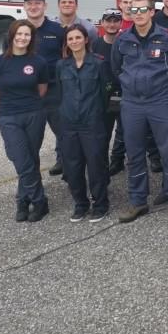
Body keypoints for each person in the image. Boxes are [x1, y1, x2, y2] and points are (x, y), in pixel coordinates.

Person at [111, 0, 168, 223]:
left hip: (161, 101)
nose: (138, 14)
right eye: (134, 10)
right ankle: (138, 201)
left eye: (142, 9)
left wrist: (167, 89)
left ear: (152, 12)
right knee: (134, 153)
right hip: (132, 104)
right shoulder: (122, 39)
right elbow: (116, 69)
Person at [0, 19, 50, 222]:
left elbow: (42, 89)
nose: (23, 38)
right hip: (9, 117)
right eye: (19, 34)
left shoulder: (38, 62)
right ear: (12, 36)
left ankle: (23, 200)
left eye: (27, 34)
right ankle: (39, 200)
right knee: (21, 159)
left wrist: (28, 106)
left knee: (30, 158)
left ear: (31, 38)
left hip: (34, 115)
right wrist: (4, 113)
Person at [57, 24, 113, 223]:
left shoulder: (98, 63)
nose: (74, 42)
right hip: (69, 124)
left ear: (86, 39)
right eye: (70, 39)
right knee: (72, 166)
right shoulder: (61, 66)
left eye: (78, 37)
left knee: (96, 165)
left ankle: (100, 204)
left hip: (92, 123)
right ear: (67, 43)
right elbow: (60, 94)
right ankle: (80, 204)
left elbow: (107, 93)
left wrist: (97, 114)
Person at [22, 0, 66, 176]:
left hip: (54, 89)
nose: (33, 7)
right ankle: (31, 178)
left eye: (37, 3)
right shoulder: (19, 31)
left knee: (63, 131)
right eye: (30, 3)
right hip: (28, 92)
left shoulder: (57, 30)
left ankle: (65, 164)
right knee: (30, 137)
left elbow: (66, 58)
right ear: (24, 6)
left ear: (45, 6)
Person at [93, 8, 126, 175]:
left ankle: (117, 160)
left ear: (121, 23)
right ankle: (102, 165)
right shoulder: (95, 44)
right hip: (101, 96)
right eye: (108, 21)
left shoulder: (125, 44)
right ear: (102, 22)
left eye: (115, 21)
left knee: (123, 130)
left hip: (121, 94)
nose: (112, 24)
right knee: (103, 132)